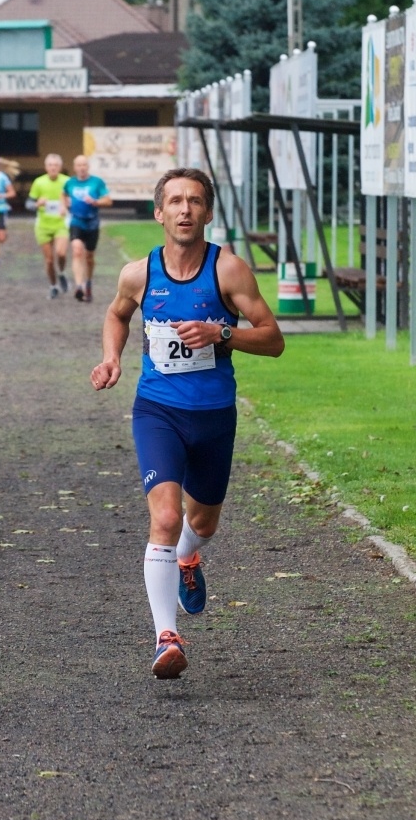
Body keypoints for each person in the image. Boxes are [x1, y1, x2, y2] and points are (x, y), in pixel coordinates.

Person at [90, 168, 284, 679]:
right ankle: (166, 638)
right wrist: (111, 358)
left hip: (214, 415)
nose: (184, 210)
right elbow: (117, 315)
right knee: (166, 517)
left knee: (202, 525)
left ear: (208, 212)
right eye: (175, 201)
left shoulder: (229, 271)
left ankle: (188, 559)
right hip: (158, 411)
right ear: (159, 213)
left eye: (194, 201)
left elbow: (273, 339)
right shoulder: (138, 274)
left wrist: (222, 334)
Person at [66, 154, 113, 303]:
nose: (81, 168)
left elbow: (108, 200)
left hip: (92, 222)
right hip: (76, 221)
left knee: (89, 256)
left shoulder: (96, 182)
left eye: (84, 165)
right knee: (77, 250)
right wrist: (63, 205)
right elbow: (63, 195)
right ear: (74, 167)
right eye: (79, 165)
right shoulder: (70, 183)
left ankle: (88, 282)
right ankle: (79, 286)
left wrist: (95, 202)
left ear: (88, 167)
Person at [28, 153, 72, 298]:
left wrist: (68, 205)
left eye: (56, 165)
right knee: (49, 260)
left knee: (61, 253)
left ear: (60, 167)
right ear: (46, 167)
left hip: (61, 224)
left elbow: (75, 200)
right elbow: (28, 204)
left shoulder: (67, 182)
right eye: (50, 165)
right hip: (43, 226)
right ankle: (53, 286)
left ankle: (62, 273)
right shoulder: (39, 182)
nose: (53, 168)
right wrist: (37, 204)